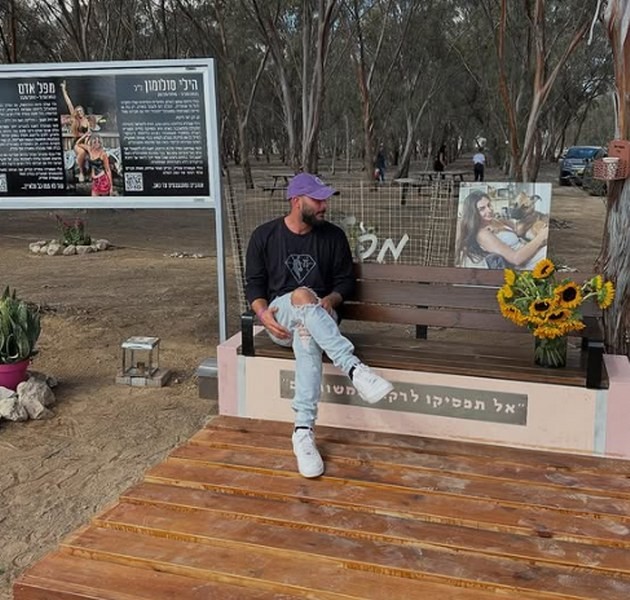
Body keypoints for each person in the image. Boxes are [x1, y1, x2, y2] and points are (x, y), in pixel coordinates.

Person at [245, 172, 394, 478]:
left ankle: (303, 432)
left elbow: (345, 283)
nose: (324, 206)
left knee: (308, 334)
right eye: (318, 200)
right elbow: (255, 286)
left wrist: (331, 300)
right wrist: (263, 316)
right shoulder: (264, 236)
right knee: (301, 296)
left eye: (325, 200)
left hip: (322, 317)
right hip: (281, 320)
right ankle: (354, 369)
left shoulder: (333, 236)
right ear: (296, 200)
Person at [455, 189, 548, 269]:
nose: (489, 210)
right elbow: (516, 259)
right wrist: (541, 237)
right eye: (482, 209)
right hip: (529, 262)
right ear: (473, 213)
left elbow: (518, 228)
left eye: (489, 205)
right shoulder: (482, 234)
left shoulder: (495, 221)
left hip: (535, 249)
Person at [60, 80, 95, 183]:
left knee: (92, 152)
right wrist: (64, 90)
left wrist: (88, 140)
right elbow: (69, 103)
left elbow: (89, 133)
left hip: (85, 141)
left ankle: (91, 173)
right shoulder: (75, 120)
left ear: (83, 111)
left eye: (80, 111)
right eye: (77, 111)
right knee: (82, 152)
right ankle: (81, 173)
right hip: (77, 142)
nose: (79, 112)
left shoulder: (86, 120)